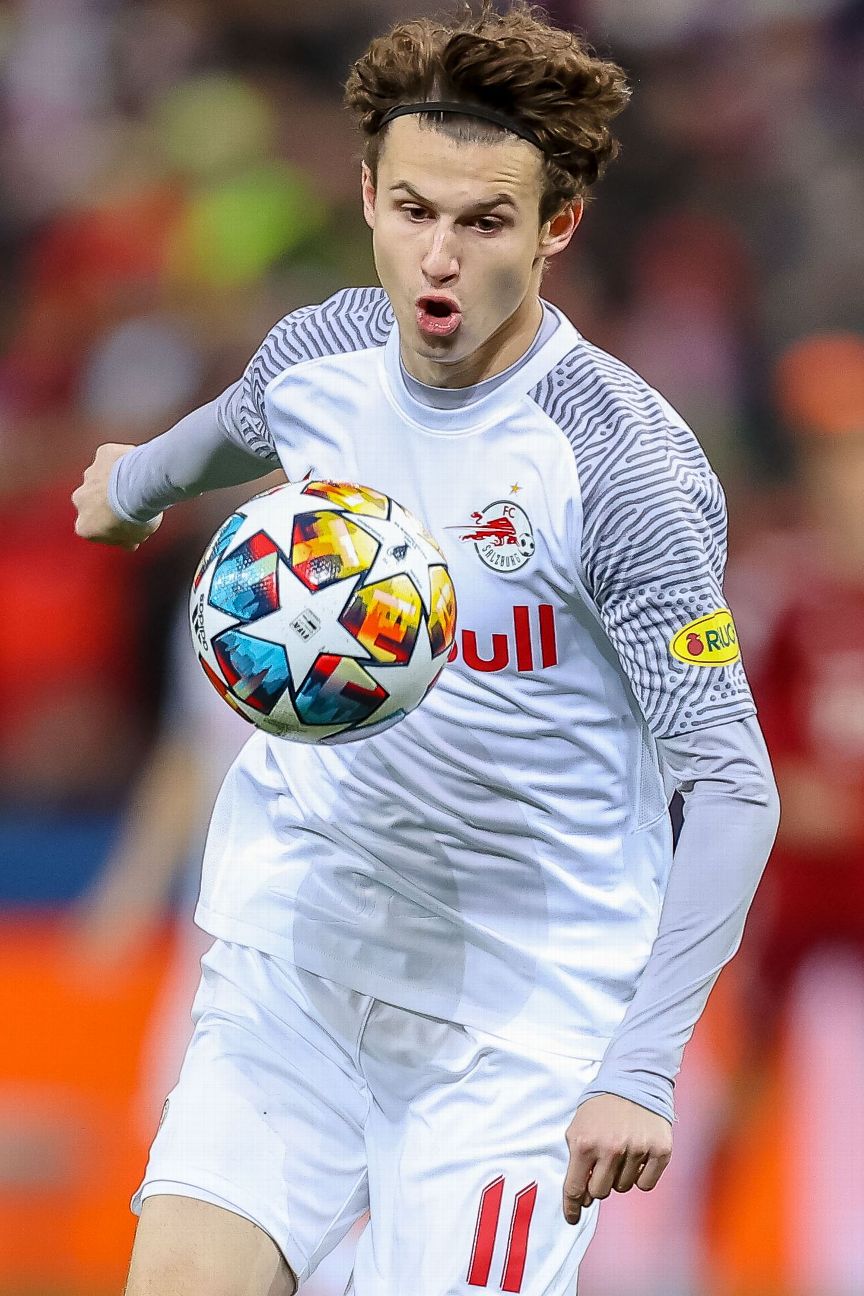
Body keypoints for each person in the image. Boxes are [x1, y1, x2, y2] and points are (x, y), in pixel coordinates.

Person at [72, 6, 779, 1294]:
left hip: (514, 1033)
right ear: (366, 195)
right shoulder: (322, 352)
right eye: (411, 212)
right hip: (296, 967)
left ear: (557, 225)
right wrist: (127, 491)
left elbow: (732, 787)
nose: (436, 258)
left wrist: (642, 1064)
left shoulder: (619, 466)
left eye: (484, 222)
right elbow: (232, 427)